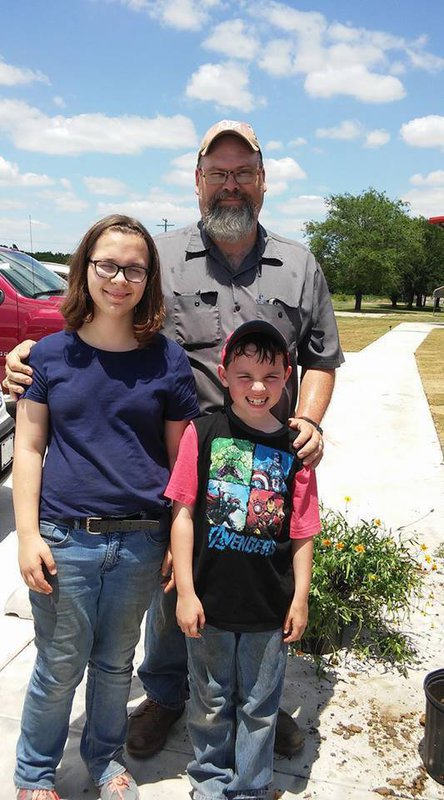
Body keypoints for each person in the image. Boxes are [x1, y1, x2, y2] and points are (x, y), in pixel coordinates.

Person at [4, 119, 344, 760]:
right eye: (217, 173)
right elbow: (105, 305)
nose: (230, 185)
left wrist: (312, 420)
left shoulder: (301, 265)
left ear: (263, 182)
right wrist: (30, 348)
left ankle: (258, 702)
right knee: (173, 582)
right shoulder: (161, 258)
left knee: (263, 576)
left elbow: (322, 358)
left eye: (243, 172)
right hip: (183, 454)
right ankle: (165, 693)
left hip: (266, 460)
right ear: (197, 183)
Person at [12, 214, 199, 800]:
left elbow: (180, 462)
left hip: (141, 540)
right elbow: (28, 446)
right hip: (65, 538)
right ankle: (35, 773)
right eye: (107, 265)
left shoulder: (166, 361)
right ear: (84, 269)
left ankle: (103, 759)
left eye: (134, 268)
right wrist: (25, 535)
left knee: (117, 665)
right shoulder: (47, 357)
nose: (120, 278)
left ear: (149, 278)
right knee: (59, 665)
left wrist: (174, 537)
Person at [166, 320, 321, 800]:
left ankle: (252, 787)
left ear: (288, 377)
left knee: (259, 705)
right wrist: (187, 592)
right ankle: (210, 783)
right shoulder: (202, 432)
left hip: (267, 607)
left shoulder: (296, 449)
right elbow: (184, 513)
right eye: (244, 375)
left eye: (271, 376)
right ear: (223, 373)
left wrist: (300, 597)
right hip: (209, 601)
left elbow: (302, 529)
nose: (258, 387)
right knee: (210, 701)